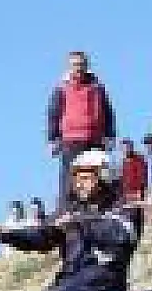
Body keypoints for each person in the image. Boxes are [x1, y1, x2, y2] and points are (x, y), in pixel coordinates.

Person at [0, 149, 141, 291]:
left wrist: (81, 224)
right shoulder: (69, 211)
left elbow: (123, 234)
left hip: (102, 282)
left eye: (85, 178)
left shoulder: (125, 207)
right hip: (69, 282)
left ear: (105, 176)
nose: (79, 185)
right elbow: (42, 236)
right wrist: (4, 234)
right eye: (76, 179)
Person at [46, 50, 118, 211]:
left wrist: (110, 136)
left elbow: (108, 112)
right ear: (69, 67)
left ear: (87, 66)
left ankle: (101, 208)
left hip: (95, 138)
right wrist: (53, 139)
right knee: (69, 178)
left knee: (98, 174)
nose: (78, 68)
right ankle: (66, 210)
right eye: (75, 65)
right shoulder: (62, 88)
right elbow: (53, 113)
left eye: (81, 64)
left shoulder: (97, 87)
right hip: (71, 139)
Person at [118, 137, 149, 202]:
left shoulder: (139, 160)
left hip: (138, 193)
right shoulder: (124, 162)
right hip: (127, 194)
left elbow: (143, 177)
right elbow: (123, 178)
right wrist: (123, 193)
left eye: (127, 147)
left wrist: (141, 192)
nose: (125, 150)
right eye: (123, 148)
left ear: (131, 147)